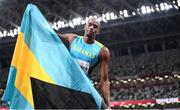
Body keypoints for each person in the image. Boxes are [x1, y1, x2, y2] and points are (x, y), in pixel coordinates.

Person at [58, 17, 110, 109]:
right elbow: (54, 36)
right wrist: (38, 22)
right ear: (85, 26)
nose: (92, 27)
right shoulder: (73, 39)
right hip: (66, 86)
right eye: (89, 24)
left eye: (95, 26)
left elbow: (104, 80)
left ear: (98, 31)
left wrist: (108, 105)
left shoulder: (102, 51)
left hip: (85, 89)